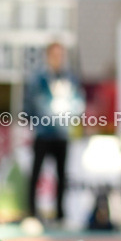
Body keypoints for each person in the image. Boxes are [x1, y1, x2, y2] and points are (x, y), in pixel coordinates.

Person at [25, 41, 85, 224]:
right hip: (43, 133)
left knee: (62, 174)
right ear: (48, 56)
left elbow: (78, 102)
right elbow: (30, 104)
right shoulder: (38, 79)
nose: (58, 59)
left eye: (61, 55)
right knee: (36, 172)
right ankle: (32, 211)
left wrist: (68, 116)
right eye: (54, 55)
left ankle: (60, 213)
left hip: (61, 133)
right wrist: (41, 119)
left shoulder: (70, 78)